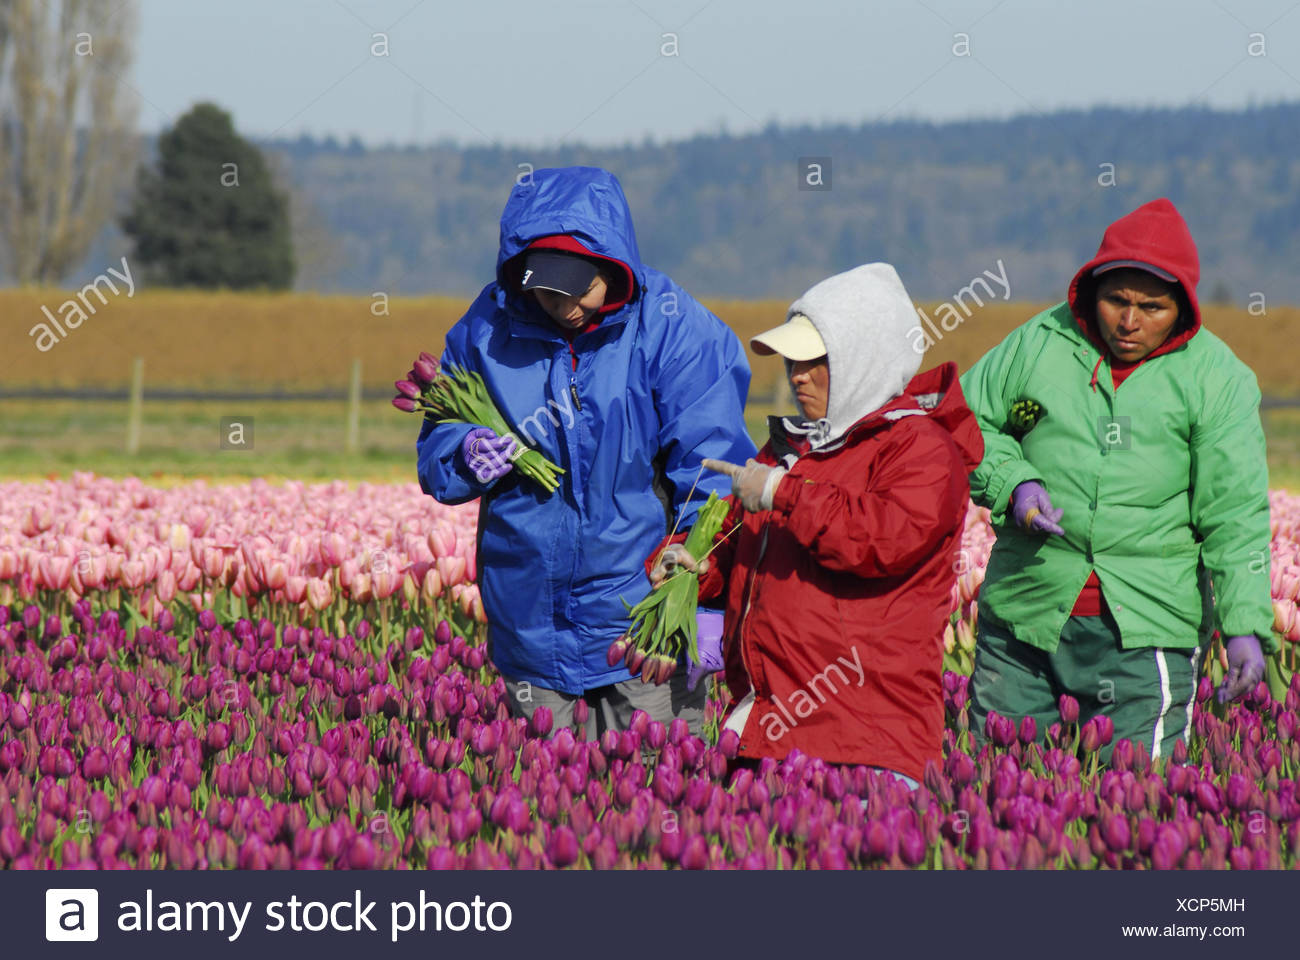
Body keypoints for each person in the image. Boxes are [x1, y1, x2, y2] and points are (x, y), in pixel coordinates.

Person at [417, 166, 755, 739]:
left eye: (578, 288)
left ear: (612, 265)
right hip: (529, 623)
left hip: (643, 622)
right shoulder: (487, 330)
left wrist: (696, 590)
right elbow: (437, 448)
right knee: (544, 810)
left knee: (656, 803)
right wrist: (463, 450)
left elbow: (714, 469)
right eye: (545, 290)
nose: (563, 305)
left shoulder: (672, 328)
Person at [959, 198, 1275, 761]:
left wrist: (1244, 623)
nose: (1130, 322)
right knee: (998, 785)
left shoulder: (1217, 379)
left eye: (1152, 307)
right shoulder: (1042, 342)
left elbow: (1233, 511)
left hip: (1146, 628)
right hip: (1025, 616)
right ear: (1091, 291)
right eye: (1117, 301)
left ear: (1182, 305)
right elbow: (962, 421)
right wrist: (1013, 482)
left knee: (1133, 803)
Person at [648, 263, 984, 786]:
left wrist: (782, 493)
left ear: (864, 359)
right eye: (792, 362)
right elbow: (741, 547)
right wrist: (696, 564)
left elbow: (877, 540)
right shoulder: (792, 450)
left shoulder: (920, 449)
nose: (796, 375)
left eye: (816, 361)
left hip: (864, 741)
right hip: (767, 732)